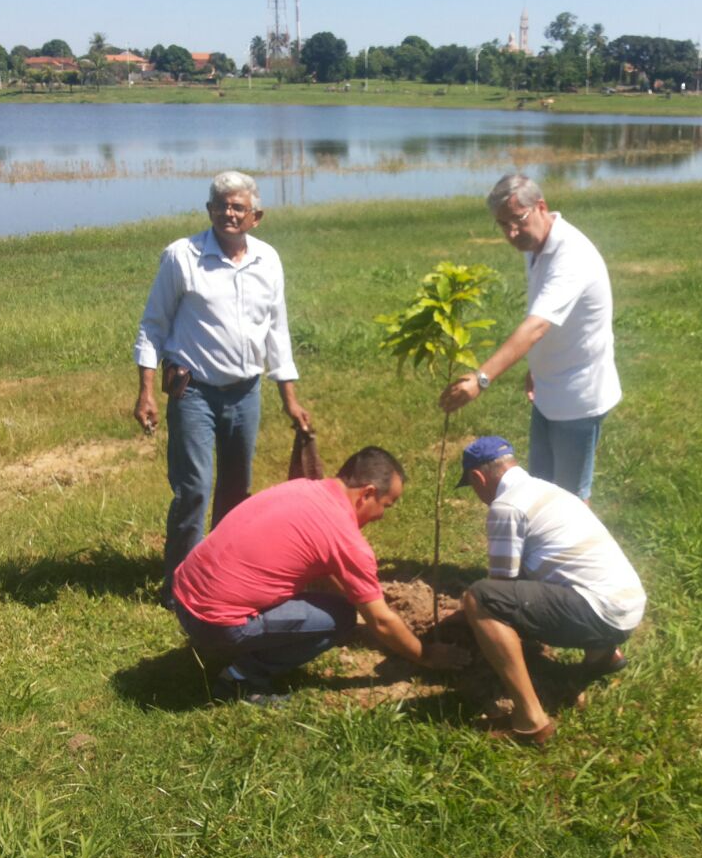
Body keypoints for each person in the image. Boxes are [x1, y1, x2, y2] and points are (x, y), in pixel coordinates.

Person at [172, 446, 468, 704]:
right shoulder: (344, 537)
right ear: (367, 493)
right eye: (385, 506)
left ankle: (234, 642)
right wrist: (426, 655)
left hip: (182, 594)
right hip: (211, 623)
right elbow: (381, 621)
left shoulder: (303, 488)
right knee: (340, 617)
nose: (382, 516)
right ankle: (240, 677)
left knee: (326, 595)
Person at [133, 171, 311, 597]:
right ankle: (179, 584)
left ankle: (223, 574)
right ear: (209, 210)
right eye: (221, 206)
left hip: (246, 392)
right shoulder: (182, 256)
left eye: (237, 207)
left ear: (256, 216)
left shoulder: (267, 260)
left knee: (237, 490)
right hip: (193, 390)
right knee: (193, 488)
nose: (228, 214)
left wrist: (290, 397)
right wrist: (145, 390)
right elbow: (153, 326)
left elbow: (277, 331)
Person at [439, 174, 621, 501]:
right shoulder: (536, 245)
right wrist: (537, 367)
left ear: (541, 207)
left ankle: (571, 552)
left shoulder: (570, 256)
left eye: (517, 220)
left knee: (571, 496)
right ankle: (542, 550)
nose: (511, 233)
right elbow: (550, 317)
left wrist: (481, 378)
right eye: (502, 224)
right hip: (549, 387)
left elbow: (537, 325)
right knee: (542, 485)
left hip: (579, 394)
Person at [457, 436, 645, 744]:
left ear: (478, 478)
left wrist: (466, 617)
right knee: (542, 570)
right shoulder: (549, 490)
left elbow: (500, 587)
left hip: (597, 612)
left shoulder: (507, 507)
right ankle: (603, 654)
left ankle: (530, 720)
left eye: (473, 487)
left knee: (480, 597)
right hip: (627, 607)